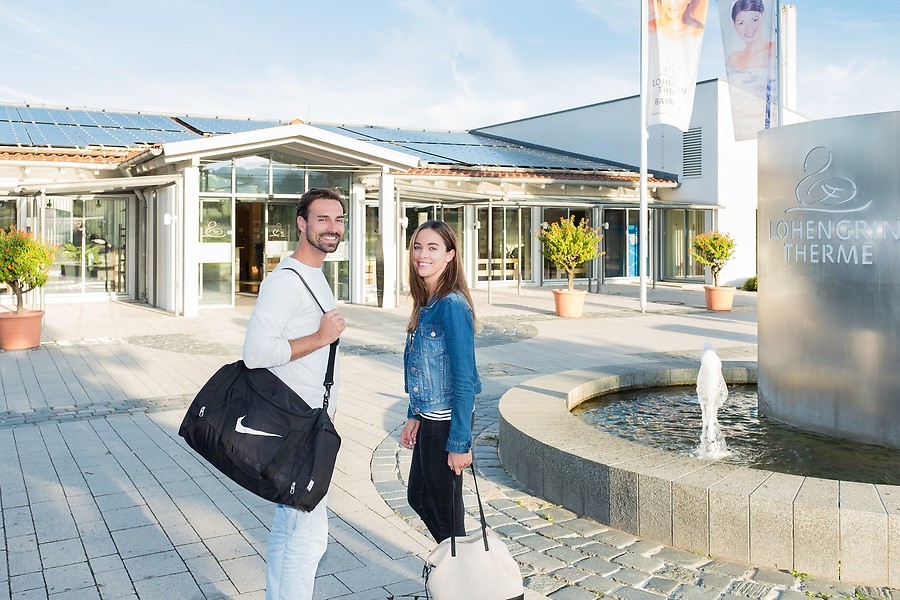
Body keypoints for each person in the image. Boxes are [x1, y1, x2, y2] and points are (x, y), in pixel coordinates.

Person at [242, 187, 347, 600]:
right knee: (304, 536)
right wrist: (321, 337)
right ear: (301, 224)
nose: (332, 228)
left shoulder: (314, 276)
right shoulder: (285, 282)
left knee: (295, 529)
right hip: (296, 426)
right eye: (322, 219)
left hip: (310, 424)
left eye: (338, 220)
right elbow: (256, 353)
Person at [400, 220, 481, 543]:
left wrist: (460, 444)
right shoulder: (426, 303)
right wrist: (413, 414)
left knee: (447, 517)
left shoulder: (452, 306)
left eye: (433, 248)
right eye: (418, 247)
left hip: (447, 424)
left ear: (450, 255)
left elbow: (464, 378)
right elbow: (421, 369)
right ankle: (455, 568)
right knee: (419, 497)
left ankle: (464, 579)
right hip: (430, 419)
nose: (422, 255)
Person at [726, 0, 774, 71]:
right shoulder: (733, 59)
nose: (748, 29)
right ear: (734, 24)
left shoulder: (774, 50)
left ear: (763, 16)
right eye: (741, 23)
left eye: (754, 20)